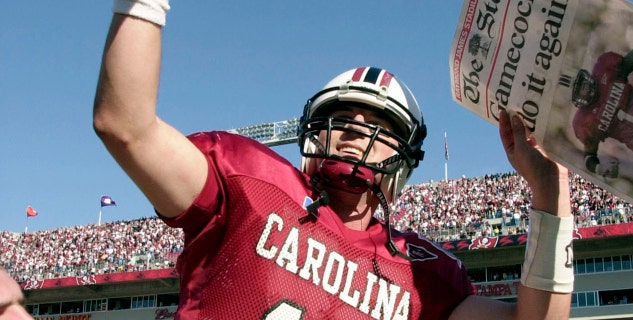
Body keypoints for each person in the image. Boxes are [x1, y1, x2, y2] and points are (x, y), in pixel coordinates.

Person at [94, 1, 574, 319]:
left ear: (403, 157)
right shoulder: (249, 183)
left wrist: (551, 194)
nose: (355, 131)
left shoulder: (427, 273)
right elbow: (127, 126)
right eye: (341, 116)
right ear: (312, 131)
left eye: (380, 125)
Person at [571, 43, 633, 178]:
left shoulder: (606, 73)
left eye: (584, 85)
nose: (586, 90)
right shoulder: (585, 122)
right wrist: (599, 168)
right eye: (582, 91)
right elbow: (589, 156)